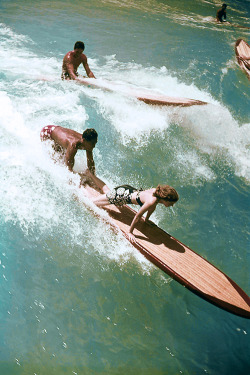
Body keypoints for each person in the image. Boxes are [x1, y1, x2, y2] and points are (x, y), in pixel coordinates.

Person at [85, 171, 179, 243]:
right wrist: (130, 232)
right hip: (121, 195)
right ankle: (79, 186)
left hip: (127, 189)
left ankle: (90, 174)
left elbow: (151, 208)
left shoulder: (156, 193)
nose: (172, 205)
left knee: (108, 192)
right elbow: (138, 216)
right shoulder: (152, 201)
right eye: (172, 203)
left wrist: (146, 220)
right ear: (166, 199)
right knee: (92, 202)